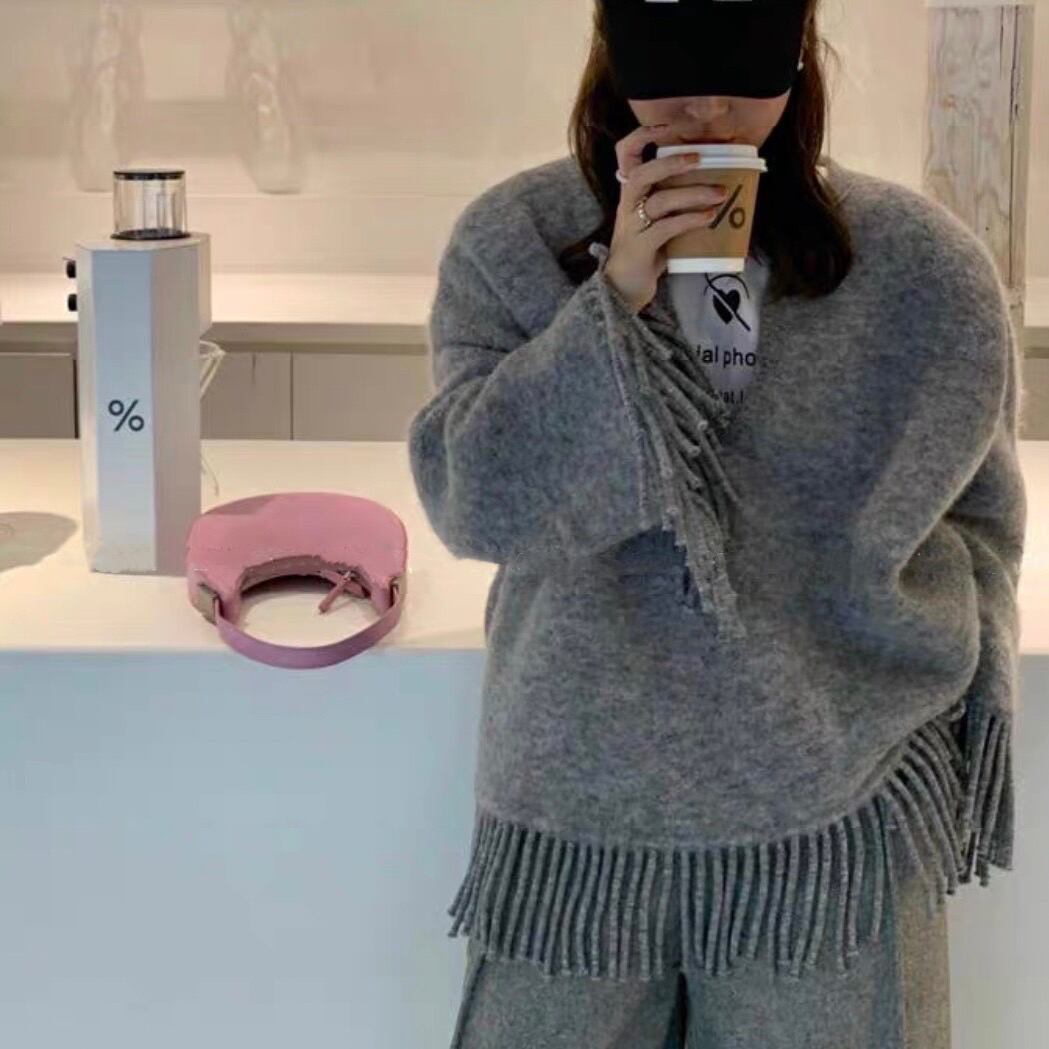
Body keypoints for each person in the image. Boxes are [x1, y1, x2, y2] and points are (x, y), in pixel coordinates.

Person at [407, 1, 1027, 1047]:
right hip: (579, 814)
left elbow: (978, 521)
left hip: (836, 818)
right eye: (670, 65)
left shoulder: (922, 270)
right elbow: (476, 502)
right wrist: (614, 299)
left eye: (741, 65)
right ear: (612, 48)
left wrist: (942, 705)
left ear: (798, 50)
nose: (705, 109)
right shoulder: (515, 244)